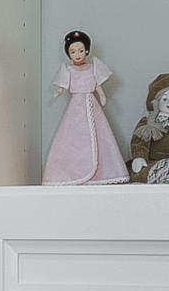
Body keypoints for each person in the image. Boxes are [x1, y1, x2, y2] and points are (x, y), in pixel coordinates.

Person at [42, 30, 126, 185]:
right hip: (76, 107)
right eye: (73, 52)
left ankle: (103, 173)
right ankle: (71, 173)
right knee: (73, 137)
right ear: (69, 54)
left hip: (91, 105)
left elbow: (97, 85)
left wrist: (102, 95)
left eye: (80, 51)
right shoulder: (68, 69)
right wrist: (58, 91)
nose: (78, 54)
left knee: (99, 135)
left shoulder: (93, 67)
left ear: (86, 50)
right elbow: (63, 85)